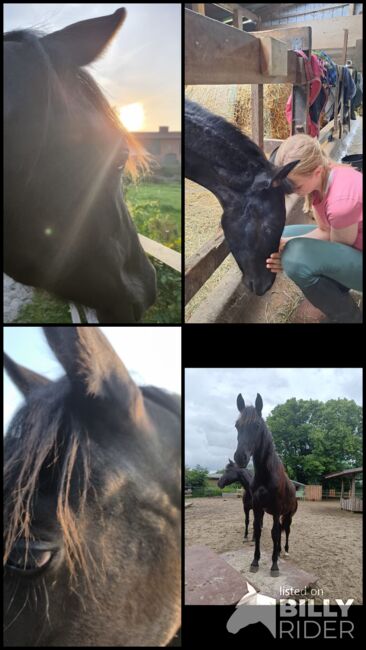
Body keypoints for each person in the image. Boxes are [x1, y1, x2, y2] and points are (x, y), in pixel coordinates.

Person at [267, 134, 362, 323]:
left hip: (350, 247)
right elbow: (325, 230)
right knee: (281, 237)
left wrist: (288, 250)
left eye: (296, 185)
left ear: (317, 171)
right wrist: (285, 243)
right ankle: (336, 294)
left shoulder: (341, 204)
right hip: (351, 245)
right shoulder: (326, 174)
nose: (292, 190)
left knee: (294, 260)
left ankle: (348, 317)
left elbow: (338, 248)